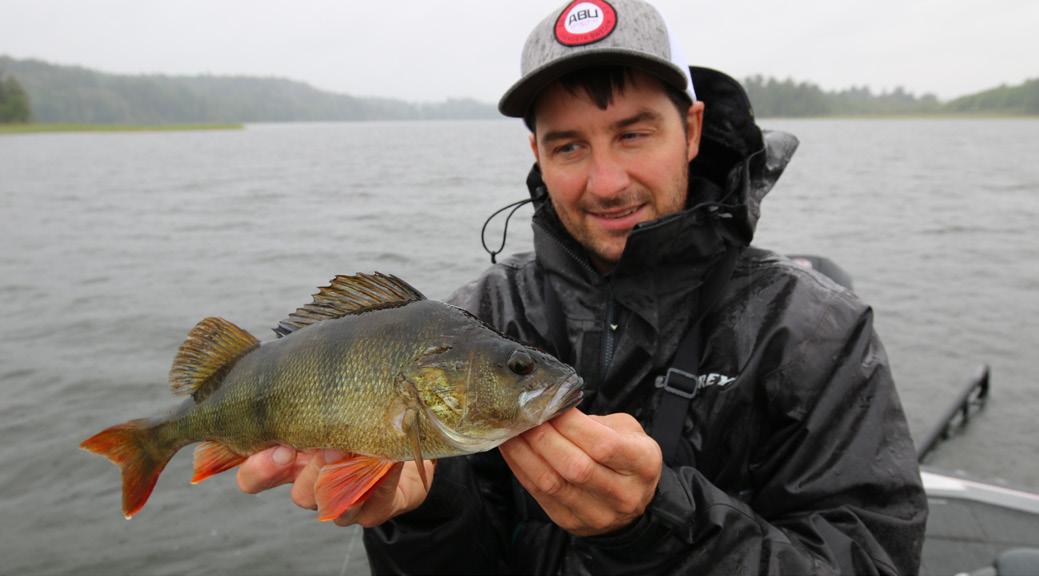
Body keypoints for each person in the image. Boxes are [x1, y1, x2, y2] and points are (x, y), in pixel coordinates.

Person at [237, 0, 928, 573]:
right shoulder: (479, 318)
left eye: (633, 134)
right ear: (536, 154)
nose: (605, 182)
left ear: (690, 131)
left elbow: (872, 559)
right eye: (568, 145)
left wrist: (657, 526)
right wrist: (424, 514)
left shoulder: (815, 334)